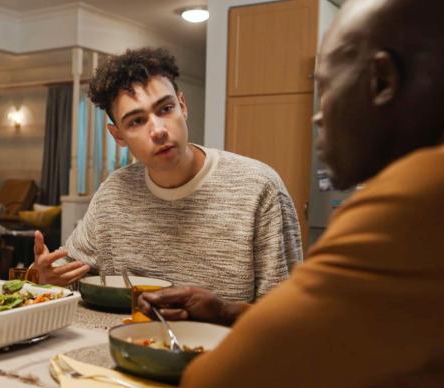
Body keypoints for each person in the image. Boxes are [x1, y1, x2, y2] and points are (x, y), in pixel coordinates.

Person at [143, 0, 444, 388]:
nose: (316, 119)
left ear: (381, 81)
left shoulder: (430, 195)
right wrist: (227, 312)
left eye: (323, 89)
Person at [30, 48, 302, 305]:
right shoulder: (115, 193)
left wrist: (222, 313)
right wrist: (43, 276)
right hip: (122, 344)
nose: (158, 130)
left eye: (165, 109)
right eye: (136, 121)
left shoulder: (259, 188)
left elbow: (286, 314)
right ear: (118, 136)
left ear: (182, 106)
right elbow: (69, 279)